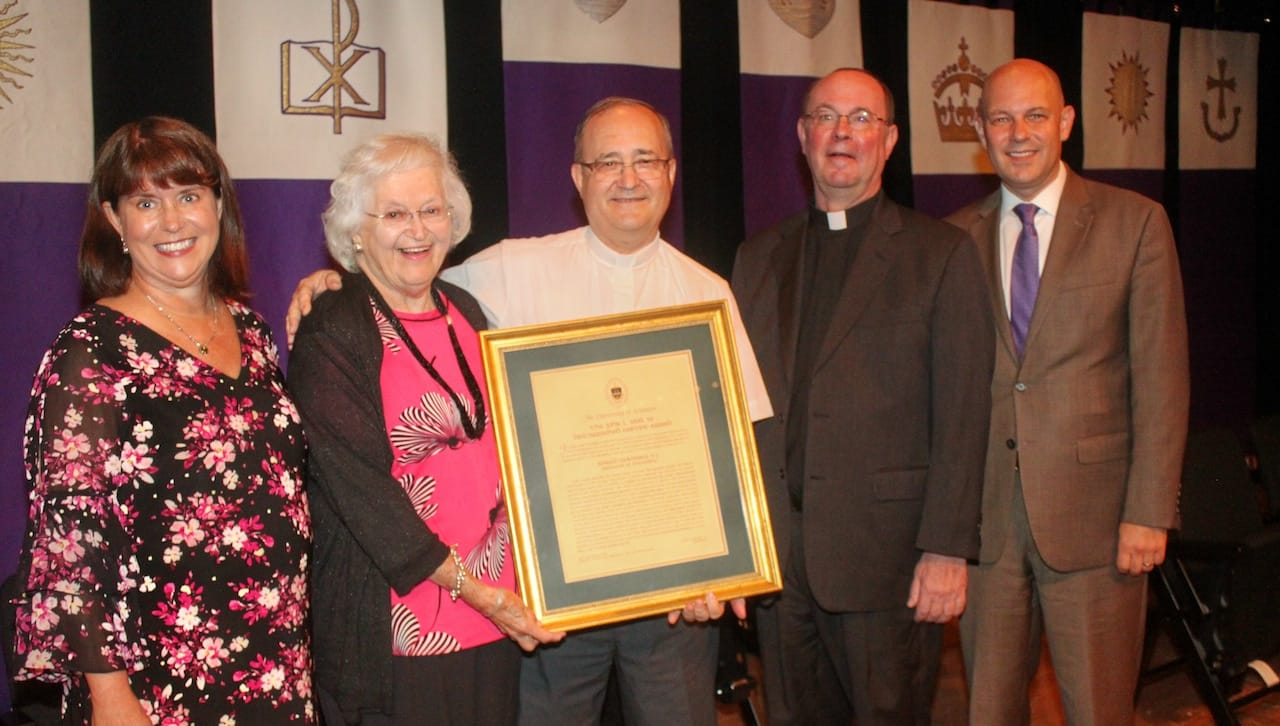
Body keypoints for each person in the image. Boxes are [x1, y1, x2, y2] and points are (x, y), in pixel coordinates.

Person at [288, 97, 772, 726]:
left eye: (645, 160)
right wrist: (328, 281)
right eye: (607, 163)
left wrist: (729, 571)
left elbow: (741, 443)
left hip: (672, 605)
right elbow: (400, 281)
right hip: (546, 603)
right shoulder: (508, 272)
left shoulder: (710, 293)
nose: (628, 179)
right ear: (579, 178)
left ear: (672, 173)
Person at [10, 117, 313, 723]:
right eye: (146, 202)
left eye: (188, 196)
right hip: (155, 687)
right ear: (115, 220)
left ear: (218, 205)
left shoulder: (252, 334)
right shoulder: (90, 351)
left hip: (274, 667)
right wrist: (111, 696)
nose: (172, 222)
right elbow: (69, 544)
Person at [731, 68, 995, 725]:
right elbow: (735, 414)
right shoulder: (757, 258)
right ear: (802, 135)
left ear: (890, 139)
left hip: (888, 563)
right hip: (783, 568)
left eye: (861, 119)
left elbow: (963, 416)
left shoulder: (940, 254)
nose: (842, 133)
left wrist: (945, 551)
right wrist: (736, 551)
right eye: (826, 117)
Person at [286, 132, 563, 725]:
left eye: (431, 209)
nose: (418, 229)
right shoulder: (333, 327)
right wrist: (479, 593)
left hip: (494, 616)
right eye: (394, 213)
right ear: (357, 233)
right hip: (400, 627)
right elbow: (362, 496)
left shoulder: (468, 310)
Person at [946, 58, 1189, 725]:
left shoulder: (1134, 223)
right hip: (987, 526)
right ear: (979, 128)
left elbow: (1163, 376)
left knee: (1098, 712)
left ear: (1066, 122)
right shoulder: (953, 237)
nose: (1018, 132)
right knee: (989, 712)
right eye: (1000, 117)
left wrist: (1149, 510)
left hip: (1100, 523)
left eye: (1034, 115)